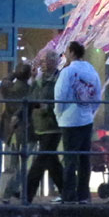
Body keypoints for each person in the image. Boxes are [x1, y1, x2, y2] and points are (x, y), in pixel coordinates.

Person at [54, 41, 101, 204]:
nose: (65, 54)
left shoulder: (68, 72)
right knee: (84, 159)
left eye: (66, 50)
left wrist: (58, 114)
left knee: (70, 159)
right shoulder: (93, 72)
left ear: (73, 52)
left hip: (69, 120)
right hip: (86, 119)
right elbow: (97, 97)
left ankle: (68, 194)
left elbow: (60, 96)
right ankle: (83, 195)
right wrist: (90, 112)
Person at [27, 51, 63, 203]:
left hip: (52, 125)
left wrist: (47, 108)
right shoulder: (40, 79)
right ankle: (68, 191)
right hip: (40, 125)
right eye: (41, 60)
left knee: (41, 159)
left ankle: (27, 194)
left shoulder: (59, 78)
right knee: (51, 161)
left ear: (54, 62)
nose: (42, 63)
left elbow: (62, 98)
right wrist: (34, 79)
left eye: (45, 60)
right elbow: (31, 97)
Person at [0, 62, 33, 203]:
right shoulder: (30, 90)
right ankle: (13, 190)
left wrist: (14, 73)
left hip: (10, 131)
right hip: (26, 131)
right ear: (29, 75)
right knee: (26, 164)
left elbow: (5, 80)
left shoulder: (7, 88)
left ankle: (6, 193)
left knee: (11, 166)